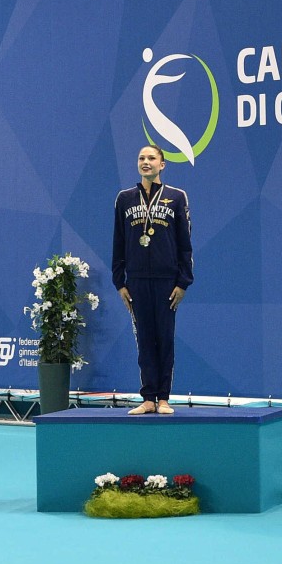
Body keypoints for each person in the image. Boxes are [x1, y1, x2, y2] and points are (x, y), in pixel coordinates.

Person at [112, 145, 194, 415]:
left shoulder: (176, 197)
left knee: (165, 338)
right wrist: (120, 282)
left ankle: (164, 399)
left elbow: (185, 244)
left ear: (162, 164)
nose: (145, 162)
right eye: (141, 158)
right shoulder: (125, 199)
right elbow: (118, 242)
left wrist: (182, 281)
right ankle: (148, 398)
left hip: (167, 281)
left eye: (151, 158)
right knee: (144, 339)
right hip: (136, 281)